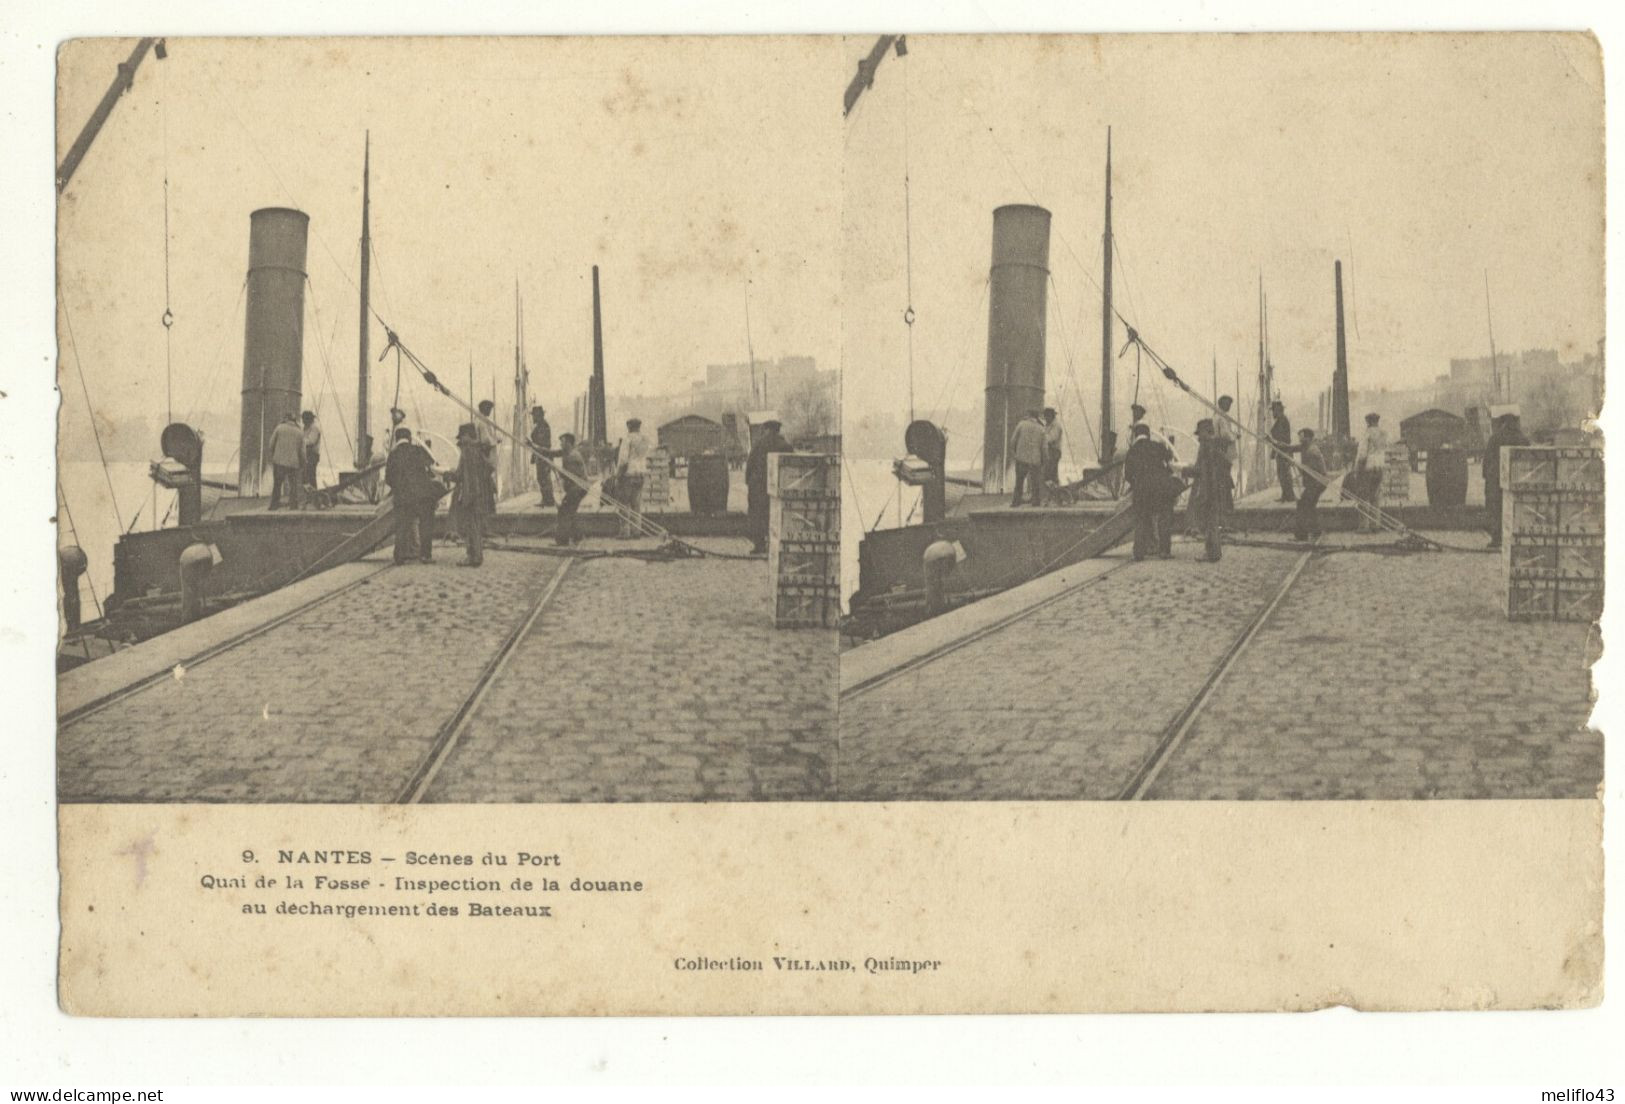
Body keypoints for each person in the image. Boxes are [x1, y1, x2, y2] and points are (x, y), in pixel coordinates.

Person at [384, 427, 438, 564]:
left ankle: (399, 556)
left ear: (396, 439)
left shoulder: (393, 455)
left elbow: (388, 479)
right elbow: (431, 469)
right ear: (409, 438)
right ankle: (425, 555)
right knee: (426, 524)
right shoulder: (418, 450)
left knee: (401, 525)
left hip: (403, 496)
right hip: (423, 495)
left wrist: (398, 487)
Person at [446, 422, 495, 566]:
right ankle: (477, 557)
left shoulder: (467, 451)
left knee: (470, 526)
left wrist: (448, 474)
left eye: (461, 437)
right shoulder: (479, 450)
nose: (460, 441)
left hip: (470, 495)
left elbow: (460, 475)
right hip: (480, 494)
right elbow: (489, 468)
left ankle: (472, 557)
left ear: (467, 436)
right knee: (476, 526)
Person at [1124, 423, 1175, 561]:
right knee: (1164, 517)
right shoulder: (1158, 446)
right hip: (1161, 487)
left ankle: (1139, 552)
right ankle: (1164, 551)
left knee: (1141, 519)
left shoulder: (1132, 451)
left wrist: (1136, 483)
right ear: (1148, 434)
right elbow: (1169, 460)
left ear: (1135, 435)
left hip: (1142, 490)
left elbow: (1127, 475)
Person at [745, 419, 795, 554]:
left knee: (757, 515)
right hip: (778, 486)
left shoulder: (759, 443)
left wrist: (748, 482)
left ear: (767, 429)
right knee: (777, 514)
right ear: (778, 430)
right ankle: (776, 544)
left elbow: (750, 463)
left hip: (758, 486)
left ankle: (759, 545)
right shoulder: (785, 445)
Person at [1483, 413, 1531, 549]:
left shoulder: (1495, 438)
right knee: (1517, 508)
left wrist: (1487, 478)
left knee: (1496, 509)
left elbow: (1487, 460)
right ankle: (1516, 537)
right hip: (1518, 480)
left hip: (1496, 480)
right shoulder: (1523, 440)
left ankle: (1497, 539)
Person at [1185, 418, 1227, 562]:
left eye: (1200, 433)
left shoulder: (1205, 447)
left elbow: (1200, 470)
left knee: (1209, 522)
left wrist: (1184, 470)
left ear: (1205, 432)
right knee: (1213, 521)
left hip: (1207, 489)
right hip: (1216, 488)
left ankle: (1211, 553)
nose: (1198, 436)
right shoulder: (1215, 446)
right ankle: (1215, 552)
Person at [1286, 427, 1328, 542]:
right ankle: (1316, 531)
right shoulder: (1306, 446)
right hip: (1317, 483)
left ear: (1308, 438)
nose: (1300, 439)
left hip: (1317, 483)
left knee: (1302, 505)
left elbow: (1309, 471)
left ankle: (1301, 535)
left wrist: (1295, 464)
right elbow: (1289, 448)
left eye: (1302, 437)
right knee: (1309, 506)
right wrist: (1272, 442)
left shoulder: (1311, 451)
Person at [615, 417, 651, 538]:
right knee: (636, 504)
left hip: (628, 475)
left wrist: (618, 475)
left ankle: (625, 532)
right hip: (641, 475)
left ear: (629, 427)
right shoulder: (645, 440)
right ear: (639, 427)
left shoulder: (627, 439)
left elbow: (623, 460)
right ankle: (636, 531)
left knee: (624, 504)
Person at [1353, 412, 1389, 531]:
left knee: (1363, 497)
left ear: (1368, 422)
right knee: (1375, 497)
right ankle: (1375, 525)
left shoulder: (1366, 435)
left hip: (1367, 468)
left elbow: (1362, 455)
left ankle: (1363, 526)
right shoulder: (1383, 434)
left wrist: (1356, 470)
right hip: (1379, 468)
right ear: (1377, 421)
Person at [555, 432, 589, 546]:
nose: (560, 444)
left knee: (564, 510)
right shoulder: (567, 452)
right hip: (578, 487)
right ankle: (578, 537)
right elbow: (550, 453)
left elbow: (570, 476)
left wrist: (556, 470)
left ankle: (562, 540)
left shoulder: (572, 456)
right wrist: (533, 447)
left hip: (578, 488)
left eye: (562, 441)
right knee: (571, 511)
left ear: (568, 443)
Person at [1009, 410, 1047, 507]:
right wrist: (1044, 459)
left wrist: (1014, 453)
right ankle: (1035, 502)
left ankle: (1016, 502)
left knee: (1019, 481)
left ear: (1028, 415)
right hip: (1035, 460)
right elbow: (1044, 448)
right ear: (1037, 417)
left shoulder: (1021, 424)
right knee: (1035, 482)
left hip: (1021, 459)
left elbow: (1013, 440)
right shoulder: (1041, 428)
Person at [267, 413, 305, 510]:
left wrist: (273, 456)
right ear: (294, 420)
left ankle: (274, 505)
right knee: (293, 485)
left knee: (277, 484)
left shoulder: (279, 428)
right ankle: (293, 505)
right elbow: (302, 451)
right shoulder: (299, 432)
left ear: (285, 419)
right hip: (293, 463)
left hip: (279, 462)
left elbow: (271, 444)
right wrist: (302, 462)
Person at [1212, 395, 1238, 514]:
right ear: (1222, 404)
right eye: (1228, 404)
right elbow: (1225, 435)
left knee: (1224, 478)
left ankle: (1226, 504)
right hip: (1224, 450)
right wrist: (1235, 436)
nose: (1229, 406)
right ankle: (1227, 505)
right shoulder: (1221, 418)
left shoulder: (1217, 416)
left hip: (1221, 450)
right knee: (1225, 478)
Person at [528, 406, 556, 508]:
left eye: (534, 415)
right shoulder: (540, 426)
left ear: (538, 416)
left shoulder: (543, 426)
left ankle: (548, 500)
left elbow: (542, 443)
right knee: (541, 477)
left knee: (544, 477)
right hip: (540, 455)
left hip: (543, 455)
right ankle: (546, 499)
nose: (533, 418)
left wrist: (530, 443)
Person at [1270, 400, 1295, 502]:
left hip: (1283, 451)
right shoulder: (1281, 420)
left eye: (1273, 411)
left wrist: (1270, 440)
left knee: (1284, 473)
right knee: (1282, 473)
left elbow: (1280, 439)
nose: (1273, 413)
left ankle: (1289, 496)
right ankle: (1286, 495)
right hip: (1281, 450)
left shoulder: (1282, 420)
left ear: (1277, 410)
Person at [1041, 407, 1063, 504]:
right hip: (1049, 452)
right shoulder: (1048, 425)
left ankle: (1054, 497)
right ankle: (1056, 497)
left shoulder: (1056, 425)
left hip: (1054, 452)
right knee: (1052, 475)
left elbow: (1052, 438)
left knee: (1049, 475)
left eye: (1047, 416)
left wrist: (1041, 437)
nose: (1046, 418)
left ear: (1051, 416)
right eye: (1045, 416)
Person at [300, 411, 322, 489]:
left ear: (308, 419)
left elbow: (311, 441)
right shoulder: (304, 429)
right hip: (305, 454)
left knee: (311, 475)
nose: (302, 421)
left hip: (312, 455)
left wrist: (300, 441)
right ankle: (308, 495)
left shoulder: (314, 428)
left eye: (304, 419)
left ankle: (314, 494)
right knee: (305, 475)